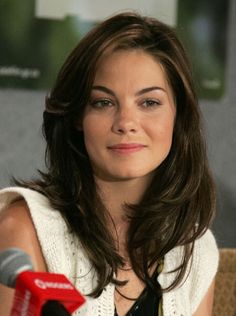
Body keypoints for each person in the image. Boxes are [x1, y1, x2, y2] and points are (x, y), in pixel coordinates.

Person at [0, 12, 219, 316]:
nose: (126, 123)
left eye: (149, 103)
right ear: (77, 117)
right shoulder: (25, 229)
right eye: (103, 102)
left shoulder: (195, 250)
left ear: (178, 116)